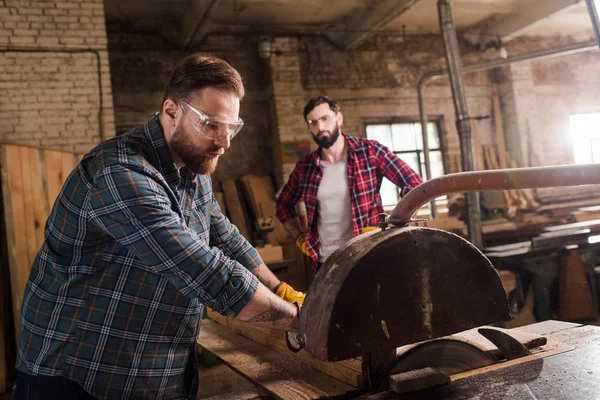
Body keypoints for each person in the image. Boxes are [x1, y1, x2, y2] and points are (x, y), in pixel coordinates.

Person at [15, 53, 305, 400]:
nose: (225, 142)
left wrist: (282, 290)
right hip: (78, 375)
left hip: (152, 372)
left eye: (232, 129)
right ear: (171, 111)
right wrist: (298, 321)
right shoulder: (120, 173)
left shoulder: (193, 169)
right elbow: (205, 271)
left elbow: (224, 237)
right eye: (212, 125)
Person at [276, 96, 423, 271]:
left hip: (368, 253)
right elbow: (283, 205)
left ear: (338, 118)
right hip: (326, 262)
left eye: (325, 118)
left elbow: (414, 184)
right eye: (313, 122)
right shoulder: (305, 168)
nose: (320, 127)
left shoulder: (370, 152)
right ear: (309, 127)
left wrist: (393, 225)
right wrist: (299, 236)